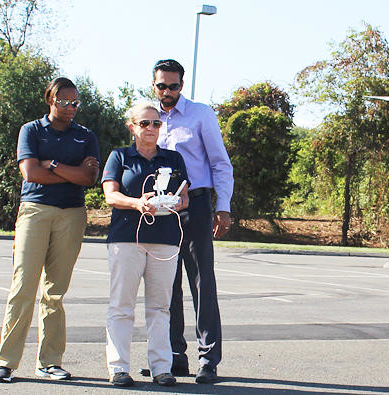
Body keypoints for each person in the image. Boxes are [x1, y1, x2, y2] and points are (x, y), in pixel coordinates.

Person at [0, 77, 100, 383]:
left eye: (75, 102)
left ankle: (50, 362)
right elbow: (30, 172)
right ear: (50, 100)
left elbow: (89, 178)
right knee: (23, 287)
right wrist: (71, 172)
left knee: (55, 292)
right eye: (64, 102)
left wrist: (51, 165)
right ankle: (6, 362)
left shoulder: (86, 136)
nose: (70, 108)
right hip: (35, 211)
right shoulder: (32, 130)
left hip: (72, 214)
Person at [149, 59, 233, 384]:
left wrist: (222, 207)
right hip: (159, 210)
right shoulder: (149, 118)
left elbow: (220, 164)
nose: (167, 92)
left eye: (173, 86)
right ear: (153, 85)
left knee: (201, 283)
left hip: (194, 206)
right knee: (166, 285)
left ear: (181, 86)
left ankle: (208, 359)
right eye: (161, 86)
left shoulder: (201, 114)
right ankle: (173, 357)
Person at [102, 101, 189, 387]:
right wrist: (137, 203)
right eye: (144, 123)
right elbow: (111, 195)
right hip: (126, 240)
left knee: (161, 307)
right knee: (122, 305)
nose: (151, 128)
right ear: (132, 127)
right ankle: (118, 368)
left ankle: (162, 368)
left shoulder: (173, 159)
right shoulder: (120, 156)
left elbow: (184, 196)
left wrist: (173, 203)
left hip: (165, 241)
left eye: (156, 124)